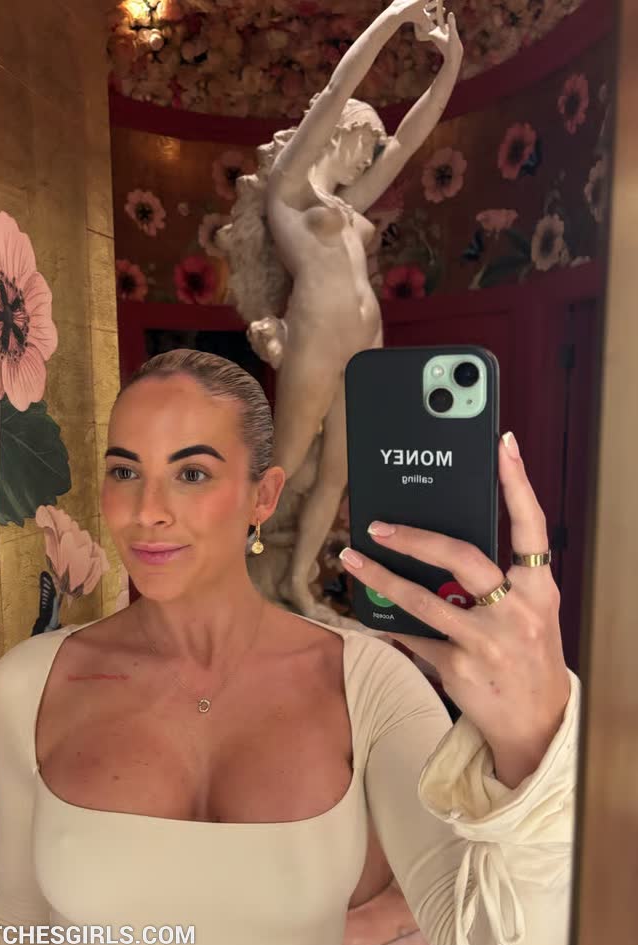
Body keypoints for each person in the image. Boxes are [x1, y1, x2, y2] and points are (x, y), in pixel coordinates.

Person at [0, 350, 579, 945]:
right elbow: (15, 930)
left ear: (263, 496)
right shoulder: (31, 682)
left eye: (192, 472)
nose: (147, 510)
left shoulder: (371, 687)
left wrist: (536, 742)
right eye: (124, 471)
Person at [217, 0, 464, 621]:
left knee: (338, 474)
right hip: (317, 343)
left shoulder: (351, 203)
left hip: (365, 350)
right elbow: (336, 90)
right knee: (282, 465)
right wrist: (395, 15)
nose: (370, 156)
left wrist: (452, 63)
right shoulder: (289, 191)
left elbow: (408, 142)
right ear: (344, 132)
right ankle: (225, 570)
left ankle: (299, 584)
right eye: (365, 144)